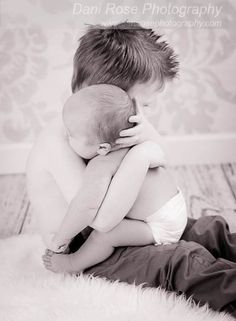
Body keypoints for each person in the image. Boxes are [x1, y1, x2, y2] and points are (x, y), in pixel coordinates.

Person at [26, 22, 236, 316]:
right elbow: (96, 215)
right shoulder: (59, 140)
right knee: (181, 260)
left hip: (128, 225)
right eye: (134, 105)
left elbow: (159, 159)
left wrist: (150, 142)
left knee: (204, 230)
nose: (139, 118)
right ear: (94, 94)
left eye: (146, 107)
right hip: (89, 248)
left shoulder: (115, 124)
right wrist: (140, 159)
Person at [42, 84, 187, 274]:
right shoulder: (136, 144)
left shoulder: (100, 164)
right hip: (176, 204)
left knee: (104, 236)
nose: (66, 137)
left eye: (70, 135)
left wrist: (61, 238)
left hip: (160, 226)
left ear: (102, 148)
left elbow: (86, 206)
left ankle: (72, 264)